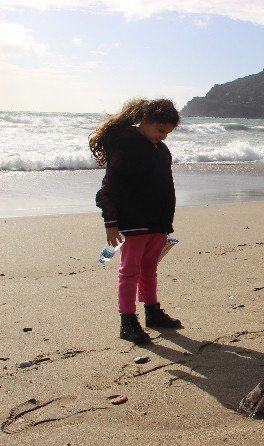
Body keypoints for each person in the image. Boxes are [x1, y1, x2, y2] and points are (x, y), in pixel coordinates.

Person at [90, 98, 182, 344]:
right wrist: (110, 222)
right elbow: (109, 187)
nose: (163, 137)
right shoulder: (126, 145)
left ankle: (152, 311)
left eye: (168, 133)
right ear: (145, 120)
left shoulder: (161, 150)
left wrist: (165, 224)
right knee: (129, 271)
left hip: (157, 222)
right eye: (160, 130)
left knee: (150, 268)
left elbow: (164, 186)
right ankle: (127, 320)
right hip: (133, 221)